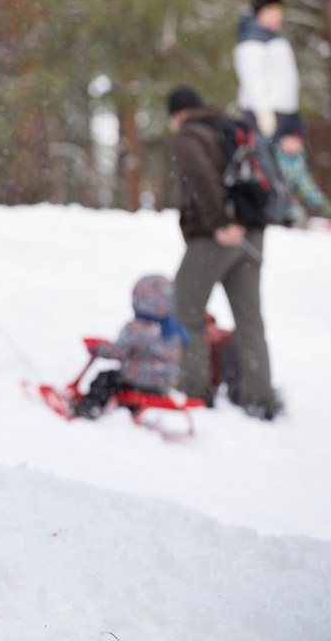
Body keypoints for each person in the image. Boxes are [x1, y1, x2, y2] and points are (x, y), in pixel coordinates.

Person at [166, 86, 280, 419]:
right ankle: (260, 398)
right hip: (253, 233)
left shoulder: (189, 136)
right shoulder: (227, 127)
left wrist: (219, 223)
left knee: (185, 310)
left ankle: (195, 392)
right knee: (250, 320)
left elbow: (201, 176)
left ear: (176, 114)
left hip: (219, 236)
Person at [74, 275, 189, 419]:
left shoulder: (137, 328)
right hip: (162, 385)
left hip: (135, 381)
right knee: (132, 376)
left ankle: (91, 406)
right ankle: (132, 408)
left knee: (106, 378)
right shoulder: (175, 330)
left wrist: (99, 349)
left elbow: (117, 351)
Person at [233, 0, 298, 138]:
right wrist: (263, 112)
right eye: (273, 14)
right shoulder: (251, 42)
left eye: (279, 14)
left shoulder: (273, 38)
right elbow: (252, 77)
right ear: (261, 13)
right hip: (264, 114)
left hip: (283, 111)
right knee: (263, 157)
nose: (278, 18)